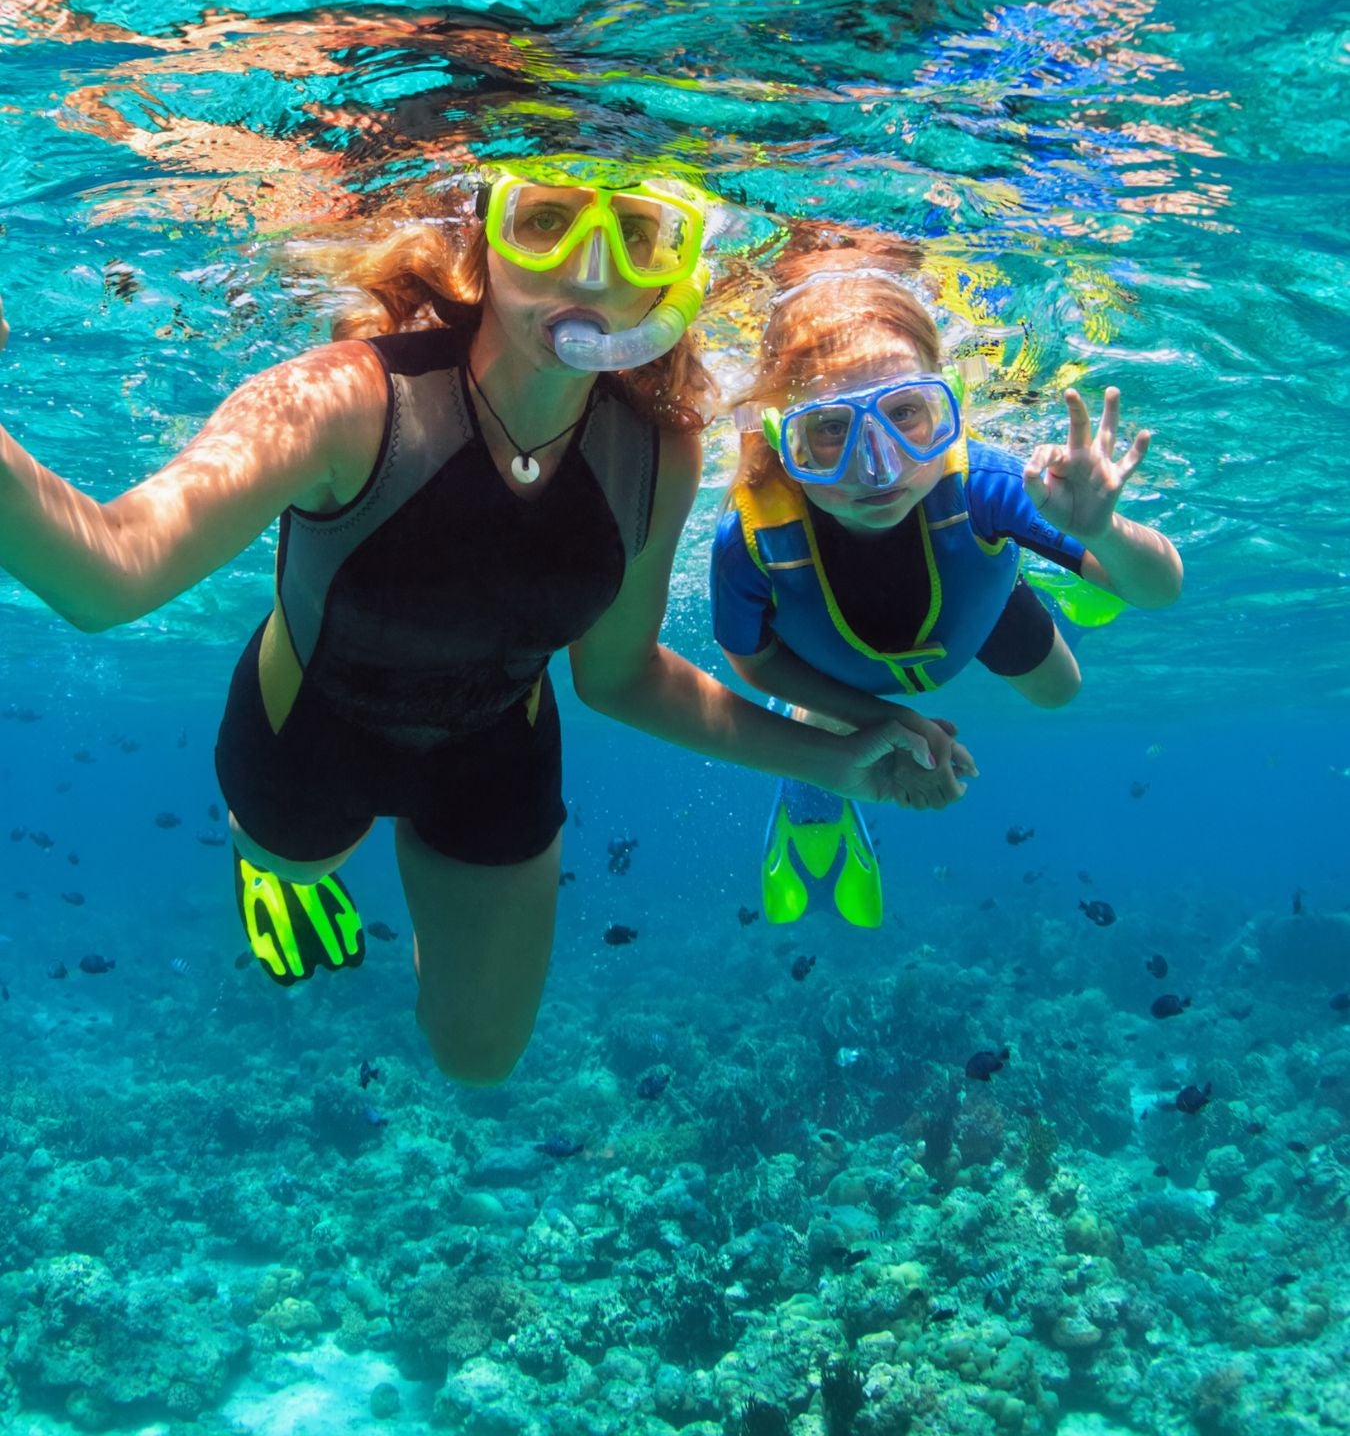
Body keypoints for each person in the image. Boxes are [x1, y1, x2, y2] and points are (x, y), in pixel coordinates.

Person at [0, 168, 970, 1085]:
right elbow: (111, 572)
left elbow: (620, 676)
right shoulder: (344, 400)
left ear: (675, 276)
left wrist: (835, 759)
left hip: (496, 750)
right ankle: (275, 870)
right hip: (306, 735)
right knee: (295, 857)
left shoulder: (661, 448)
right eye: (546, 220)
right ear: (482, 248)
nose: (590, 270)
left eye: (636, 236)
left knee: (479, 1060)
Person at [711, 242, 1182, 930]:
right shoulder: (751, 539)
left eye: (906, 415)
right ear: (785, 440)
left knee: (1063, 691)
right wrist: (883, 722)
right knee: (830, 718)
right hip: (831, 665)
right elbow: (750, 662)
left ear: (951, 408)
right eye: (831, 430)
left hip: (973, 607)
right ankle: (811, 782)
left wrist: (1104, 533)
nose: (877, 469)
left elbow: (1161, 589)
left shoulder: (987, 483)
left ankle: (1062, 565)